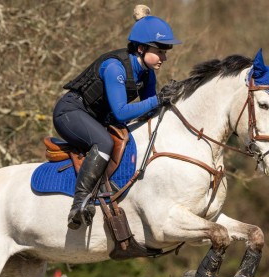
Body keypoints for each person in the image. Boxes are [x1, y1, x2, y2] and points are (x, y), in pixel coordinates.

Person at [53, 5, 182, 229]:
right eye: (160, 51)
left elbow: (149, 110)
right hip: (70, 112)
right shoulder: (115, 68)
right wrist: (157, 100)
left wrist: (168, 102)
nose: (165, 57)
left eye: (165, 51)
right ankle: (80, 202)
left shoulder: (147, 73)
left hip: (96, 118)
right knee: (103, 142)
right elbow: (122, 111)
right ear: (141, 48)